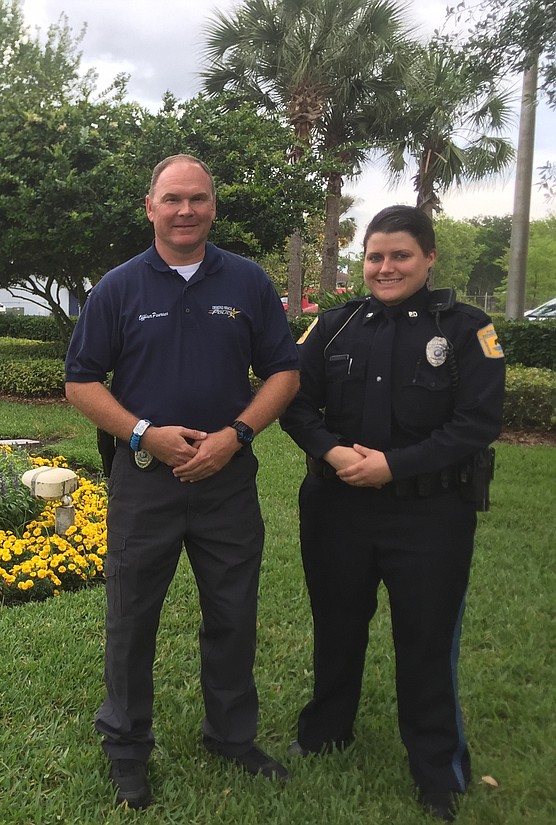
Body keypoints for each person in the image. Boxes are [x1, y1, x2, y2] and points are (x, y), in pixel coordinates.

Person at [64, 154, 300, 810]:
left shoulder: (248, 283)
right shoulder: (118, 288)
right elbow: (80, 381)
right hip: (145, 481)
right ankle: (126, 744)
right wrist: (144, 433)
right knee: (132, 617)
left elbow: (285, 371)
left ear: (213, 207)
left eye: (197, 198)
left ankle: (231, 735)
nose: (185, 210)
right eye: (173, 199)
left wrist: (236, 436)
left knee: (233, 613)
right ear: (150, 207)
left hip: (227, 480)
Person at [279, 205, 505, 822]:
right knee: (337, 624)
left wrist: (394, 466)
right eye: (375, 256)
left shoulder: (466, 330)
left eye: (400, 255)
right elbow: (297, 407)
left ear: (429, 258)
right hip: (337, 509)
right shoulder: (332, 328)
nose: (385, 267)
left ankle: (436, 767)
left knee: (427, 639)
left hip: (430, 515)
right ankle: (326, 731)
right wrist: (329, 450)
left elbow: (477, 423)